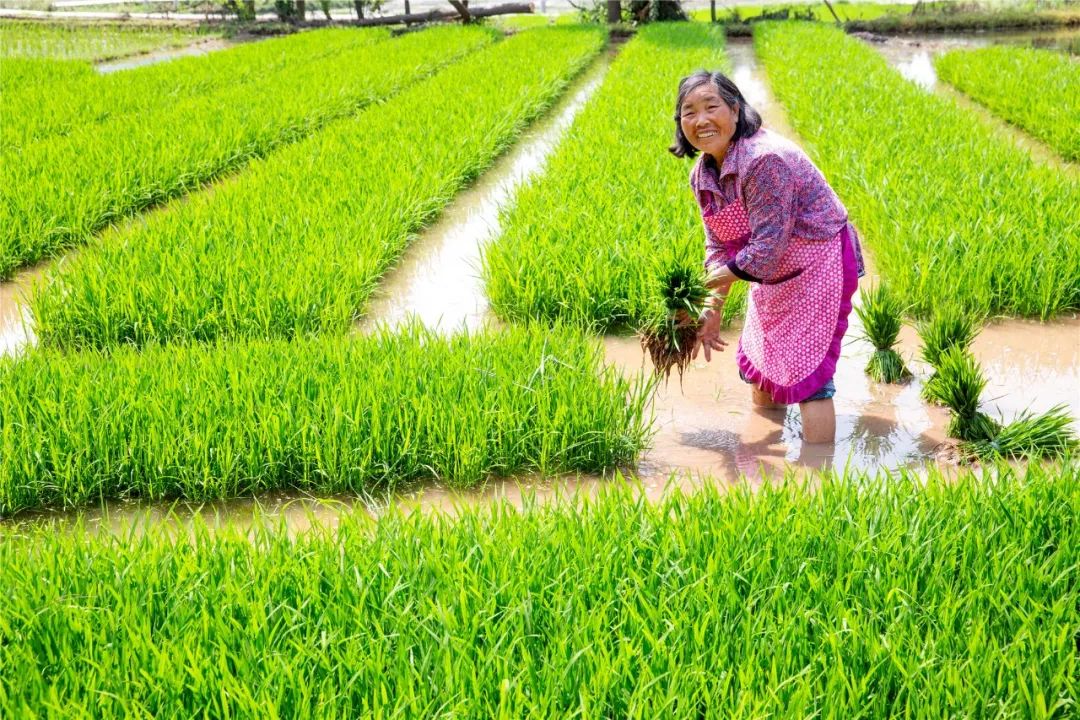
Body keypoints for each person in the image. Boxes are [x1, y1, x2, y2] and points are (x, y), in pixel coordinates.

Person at [670, 70, 864, 444]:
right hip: (772, 269)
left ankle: (818, 475)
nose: (701, 120)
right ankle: (761, 455)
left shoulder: (764, 161)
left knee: (810, 376)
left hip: (816, 262)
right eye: (689, 111)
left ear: (737, 111)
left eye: (712, 107)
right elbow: (719, 248)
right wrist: (712, 310)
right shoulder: (703, 174)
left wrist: (692, 290)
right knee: (762, 361)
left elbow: (765, 250)